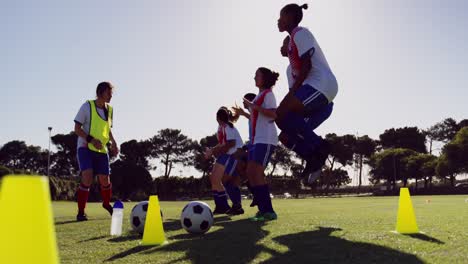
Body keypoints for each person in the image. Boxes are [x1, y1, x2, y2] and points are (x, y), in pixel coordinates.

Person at [276, 3, 338, 183]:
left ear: (289, 17)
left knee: (281, 114)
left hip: (322, 87)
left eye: (281, 17)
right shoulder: (290, 70)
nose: (278, 21)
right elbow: (294, 100)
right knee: (285, 135)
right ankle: (312, 157)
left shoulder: (300, 33)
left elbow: (308, 66)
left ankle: (320, 147)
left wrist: (286, 101)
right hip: (311, 97)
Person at [74, 81, 119, 221]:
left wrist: (114, 143)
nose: (111, 96)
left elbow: (108, 129)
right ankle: (81, 212)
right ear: (100, 93)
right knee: (87, 176)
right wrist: (91, 140)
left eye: (111, 93)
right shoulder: (87, 106)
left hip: (101, 150)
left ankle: (106, 204)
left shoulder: (110, 110)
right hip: (85, 147)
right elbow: (76, 129)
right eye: (108, 93)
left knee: (105, 180)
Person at [242, 67, 279, 221]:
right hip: (257, 140)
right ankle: (263, 210)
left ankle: (268, 211)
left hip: (266, 139)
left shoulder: (268, 94)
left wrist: (252, 105)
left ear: (264, 78)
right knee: (250, 173)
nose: (254, 77)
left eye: (257, 75)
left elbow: (273, 114)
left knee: (257, 173)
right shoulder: (260, 95)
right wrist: (250, 107)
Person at [204, 107, 243, 214]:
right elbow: (223, 144)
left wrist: (212, 151)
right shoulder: (221, 127)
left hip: (232, 155)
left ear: (217, 118)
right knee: (214, 179)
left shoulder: (228, 127)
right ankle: (221, 206)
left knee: (222, 180)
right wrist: (212, 150)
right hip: (226, 154)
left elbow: (231, 144)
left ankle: (226, 206)